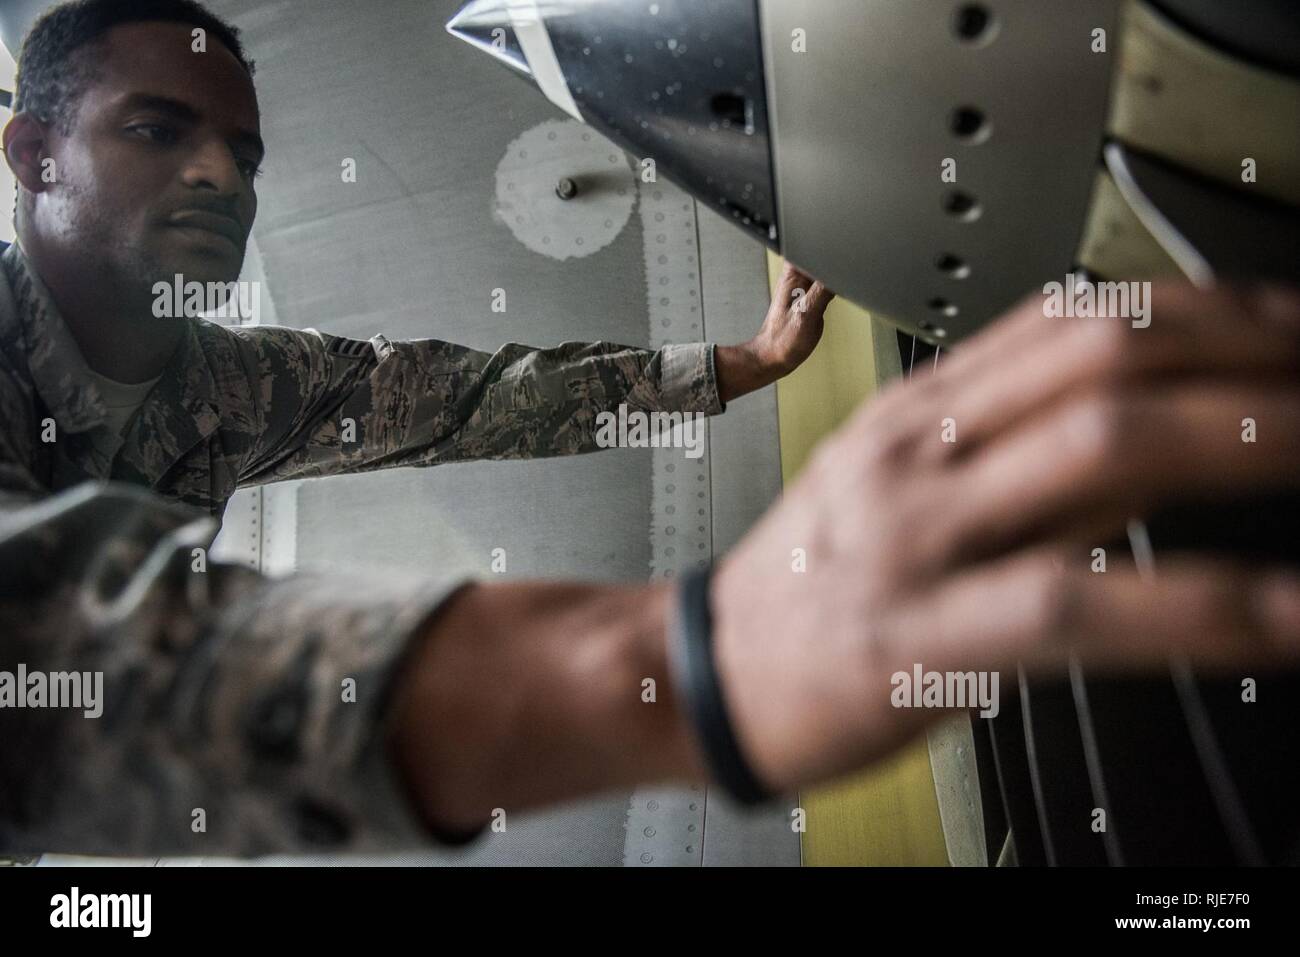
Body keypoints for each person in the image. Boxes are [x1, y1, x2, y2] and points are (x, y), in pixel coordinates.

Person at [2, 0, 1297, 858]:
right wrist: (705, 662)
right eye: (158, 130)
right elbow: (44, 651)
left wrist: (743, 362)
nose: (222, 175)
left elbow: (481, 396)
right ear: (30, 153)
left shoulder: (234, 387)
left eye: (244, 147)